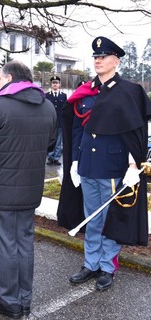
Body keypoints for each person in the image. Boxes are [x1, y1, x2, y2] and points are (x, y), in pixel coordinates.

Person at [57, 36, 151, 291]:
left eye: (103, 57)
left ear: (116, 61)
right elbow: (77, 127)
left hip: (113, 166)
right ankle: (90, 263)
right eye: (95, 57)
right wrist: (75, 161)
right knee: (92, 218)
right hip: (87, 165)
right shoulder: (87, 91)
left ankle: (107, 266)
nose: (98, 61)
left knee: (110, 217)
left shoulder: (129, 91)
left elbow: (137, 132)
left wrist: (134, 164)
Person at [0, 60, 57, 319]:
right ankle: (24, 300)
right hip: (30, 188)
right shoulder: (47, 106)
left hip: (3, 188)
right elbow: (50, 145)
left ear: (8, 78)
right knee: (24, 243)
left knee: (7, 244)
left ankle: (10, 301)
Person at [45, 75, 67, 165]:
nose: (55, 84)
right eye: (53, 83)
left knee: (58, 140)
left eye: (56, 83)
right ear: (51, 84)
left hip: (60, 122)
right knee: (50, 140)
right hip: (50, 122)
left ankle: (56, 157)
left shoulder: (63, 96)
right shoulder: (46, 95)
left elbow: (65, 109)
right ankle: (50, 157)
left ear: (59, 84)